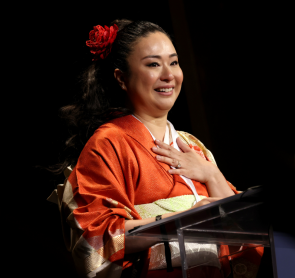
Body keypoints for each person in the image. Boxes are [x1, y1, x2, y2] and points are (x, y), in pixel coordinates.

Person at [51, 19, 263, 278]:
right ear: (121, 78)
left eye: (173, 62)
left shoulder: (193, 146)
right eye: (153, 64)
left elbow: (243, 230)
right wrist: (183, 221)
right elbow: (96, 236)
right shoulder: (109, 143)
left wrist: (211, 175)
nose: (169, 75)